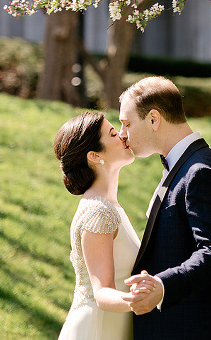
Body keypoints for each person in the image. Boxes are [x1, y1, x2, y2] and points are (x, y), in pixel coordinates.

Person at [118, 76, 211, 339]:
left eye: (127, 123)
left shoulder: (201, 170)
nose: (122, 134)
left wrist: (162, 286)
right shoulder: (180, 165)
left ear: (153, 119)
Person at [55, 111, 154, 340]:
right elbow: (102, 293)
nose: (122, 135)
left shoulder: (110, 206)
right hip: (96, 329)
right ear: (94, 155)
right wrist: (143, 298)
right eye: (112, 133)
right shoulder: (98, 212)